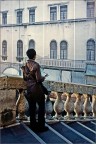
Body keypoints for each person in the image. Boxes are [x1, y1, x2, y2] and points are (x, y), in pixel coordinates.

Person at [21, 49, 49, 132]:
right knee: (41, 108)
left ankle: (33, 125)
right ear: (34, 55)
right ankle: (41, 126)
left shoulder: (25, 64)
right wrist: (44, 77)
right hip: (37, 89)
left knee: (32, 108)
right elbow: (38, 79)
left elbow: (25, 78)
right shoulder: (36, 65)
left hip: (29, 89)